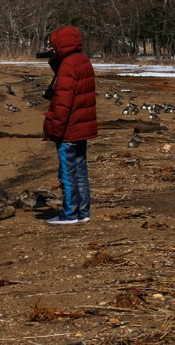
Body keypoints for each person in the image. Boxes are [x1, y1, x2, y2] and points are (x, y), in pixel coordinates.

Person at [42, 25, 98, 225]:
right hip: (82, 127)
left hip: (69, 129)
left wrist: (54, 131)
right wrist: (55, 59)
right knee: (81, 171)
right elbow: (68, 76)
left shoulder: (68, 65)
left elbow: (63, 103)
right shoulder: (82, 60)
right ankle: (83, 212)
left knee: (67, 173)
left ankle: (69, 214)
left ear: (61, 43)